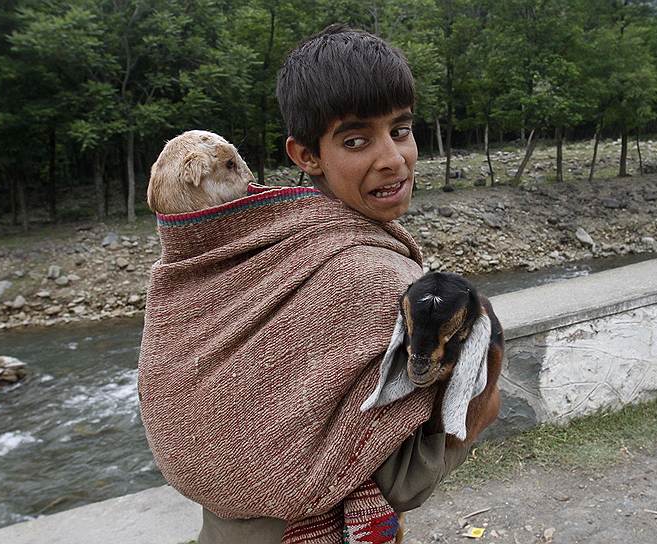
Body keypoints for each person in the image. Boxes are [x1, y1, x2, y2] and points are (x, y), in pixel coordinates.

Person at [138, 24, 499, 544]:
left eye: (400, 130)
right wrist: (485, 388)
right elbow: (400, 480)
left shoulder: (257, 241)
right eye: (356, 140)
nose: (393, 159)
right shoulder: (374, 280)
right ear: (306, 155)